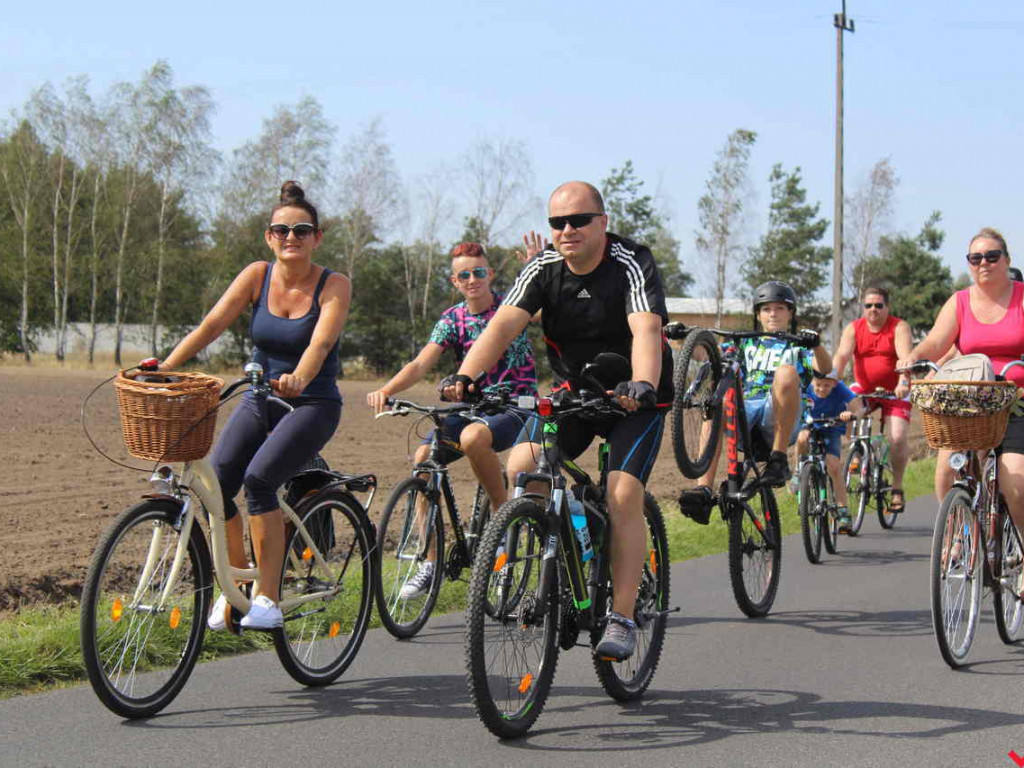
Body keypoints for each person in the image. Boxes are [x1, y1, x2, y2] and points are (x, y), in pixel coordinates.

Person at [442, 180, 673, 661]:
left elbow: (646, 328)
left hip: (636, 396)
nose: (566, 230)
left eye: (578, 220)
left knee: (623, 491)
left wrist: (643, 382)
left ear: (602, 223)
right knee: (522, 466)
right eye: (557, 222)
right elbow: (503, 324)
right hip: (576, 393)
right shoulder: (544, 268)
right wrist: (466, 374)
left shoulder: (630, 261)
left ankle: (623, 617)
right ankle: (559, 567)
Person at [159, 181, 351, 630]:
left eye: (301, 230)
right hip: (261, 395)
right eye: (280, 230)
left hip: (312, 402)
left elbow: (321, 343)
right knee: (217, 486)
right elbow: (211, 324)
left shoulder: (333, 284)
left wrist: (300, 376)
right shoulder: (256, 275)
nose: (291, 238)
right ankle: (237, 587)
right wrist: (165, 366)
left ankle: (269, 597)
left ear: (316, 238)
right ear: (268, 237)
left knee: (259, 481)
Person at [366, 242, 537, 597]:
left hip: (513, 405)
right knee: (422, 462)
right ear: (454, 281)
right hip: (471, 407)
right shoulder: (452, 319)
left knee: (475, 439)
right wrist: (386, 389)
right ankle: (431, 561)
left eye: (479, 272)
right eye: (464, 274)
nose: (472, 279)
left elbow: (548, 311)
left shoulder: (512, 308)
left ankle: (500, 520)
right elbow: (419, 364)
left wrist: (537, 267)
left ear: (490, 274)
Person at [899, 227, 1024, 537]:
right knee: (945, 472)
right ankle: (961, 534)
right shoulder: (960, 302)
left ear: (1006, 260)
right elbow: (936, 343)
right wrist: (912, 357)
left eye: (992, 256)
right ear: (969, 263)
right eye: (976, 257)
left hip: (1016, 401)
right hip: (968, 402)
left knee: (1015, 483)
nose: (984, 263)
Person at [679, 281, 831, 519]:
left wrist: (817, 345)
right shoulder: (743, 342)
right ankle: (704, 490)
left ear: (790, 313)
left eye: (780, 308)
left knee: (786, 372)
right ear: (758, 314)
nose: (773, 313)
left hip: (779, 417)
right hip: (745, 412)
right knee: (715, 399)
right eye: (766, 308)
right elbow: (706, 355)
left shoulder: (799, 344)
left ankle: (778, 461)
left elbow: (824, 368)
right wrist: (684, 338)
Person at [831, 286, 914, 513]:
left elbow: (905, 357)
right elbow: (842, 356)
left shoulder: (899, 327)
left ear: (887, 307)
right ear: (863, 308)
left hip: (895, 391)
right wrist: (831, 378)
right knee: (844, 403)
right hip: (866, 388)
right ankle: (855, 449)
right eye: (868, 305)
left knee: (897, 438)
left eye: (879, 305)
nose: (873, 310)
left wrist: (903, 383)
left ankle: (897, 489)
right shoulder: (854, 328)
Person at [795, 372, 865, 530]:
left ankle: (843, 510)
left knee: (834, 466)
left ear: (834, 383)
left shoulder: (840, 388)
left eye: (827, 385)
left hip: (832, 427)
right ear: (812, 381)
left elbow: (858, 408)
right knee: (801, 438)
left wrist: (851, 415)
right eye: (818, 385)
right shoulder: (805, 386)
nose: (821, 389)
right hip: (811, 423)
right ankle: (798, 473)